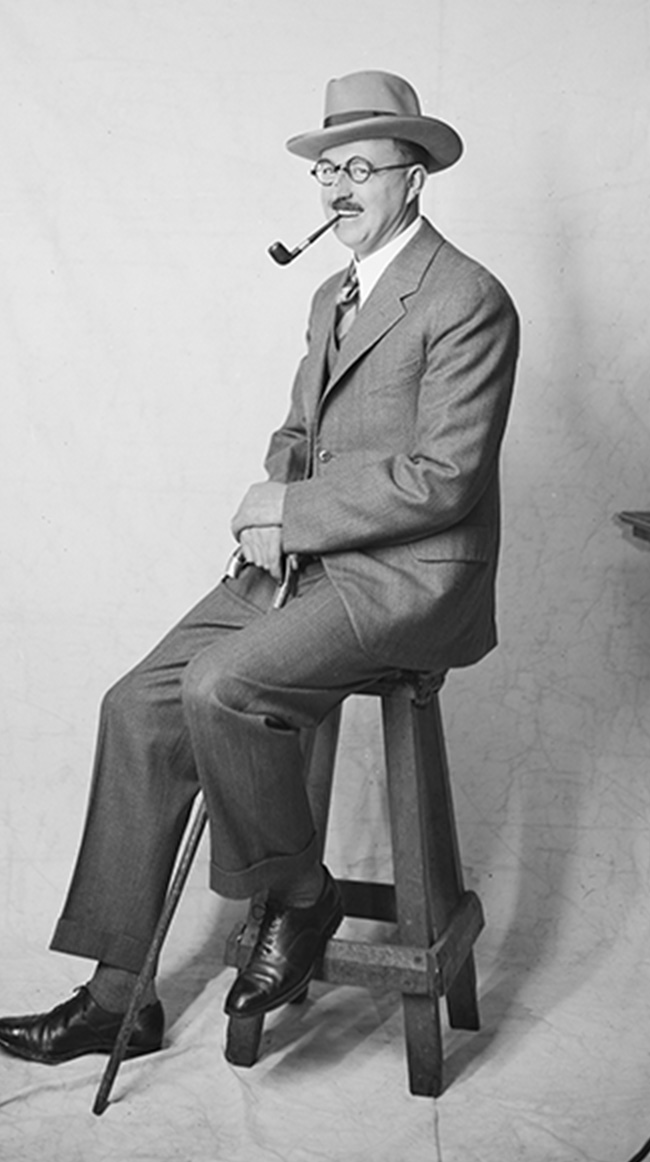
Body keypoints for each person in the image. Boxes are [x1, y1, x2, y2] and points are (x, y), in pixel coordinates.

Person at [0, 70, 519, 1065]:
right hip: (308, 563)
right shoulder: (332, 294)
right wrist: (274, 503)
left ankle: (300, 895)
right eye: (326, 170)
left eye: (359, 168)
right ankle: (117, 998)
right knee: (135, 706)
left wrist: (293, 511)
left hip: (409, 579)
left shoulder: (467, 298)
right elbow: (298, 432)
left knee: (223, 686)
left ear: (412, 178)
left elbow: (444, 477)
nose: (336, 188)